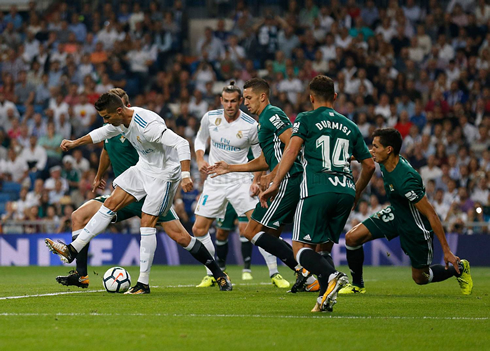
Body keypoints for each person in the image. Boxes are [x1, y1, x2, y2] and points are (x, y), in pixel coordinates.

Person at [45, 91, 232, 294]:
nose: (106, 121)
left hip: (164, 175)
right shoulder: (118, 123)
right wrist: (74, 143)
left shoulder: (147, 125)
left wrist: (186, 175)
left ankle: (146, 283)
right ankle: (73, 250)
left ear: (119, 110)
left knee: (159, 227)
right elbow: (101, 133)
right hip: (143, 168)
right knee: (110, 203)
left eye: (107, 117)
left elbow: (181, 143)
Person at [260, 75, 375, 312]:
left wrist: (275, 182)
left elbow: (291, 150)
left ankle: (331, 275)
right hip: (344, 191)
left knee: (300, 248)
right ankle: (324, 299)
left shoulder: (305, 118)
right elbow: (370, 165)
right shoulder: (351, 126)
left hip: (316, 188)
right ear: (334, 96)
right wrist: (356, 192)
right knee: (322, 248)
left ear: (311, 97)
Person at [208, 78, 319, 292]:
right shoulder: (262, 121)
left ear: (262, 96)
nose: (245, 102)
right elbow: (264, 161)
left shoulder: (272, 113)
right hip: (287, 178)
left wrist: (276, 176)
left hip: (288, 179)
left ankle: (306, 274)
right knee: (271, 235)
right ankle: (310, 275)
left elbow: (292, 143)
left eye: (248, 98)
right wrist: (230, 167)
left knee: (252, 231)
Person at [339, 128, 473, 296]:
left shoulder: (406, 179)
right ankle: (357, 285)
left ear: (389, 150)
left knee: (420, 278)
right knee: (352, 238)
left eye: (376, 147)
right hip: (396, 213)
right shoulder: (385, 158)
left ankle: (459, 269)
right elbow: (368, 154)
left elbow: (431, 214)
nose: (373, 150)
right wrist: (346, 158)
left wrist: (446, 250)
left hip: (414, 225)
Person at [193, 82, 287, 288]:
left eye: (234, 101)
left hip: (240, 180)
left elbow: (261, 155)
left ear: (240, 102)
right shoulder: (210, 118)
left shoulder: (251, 125)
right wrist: (200, 159)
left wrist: (256, 180)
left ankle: (274, 273)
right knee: (198, 228)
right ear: (221, 101)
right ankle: (213, 272)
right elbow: (199, 140)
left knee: (258, 227)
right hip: (216, 180)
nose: (229, 105)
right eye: (226, 101)